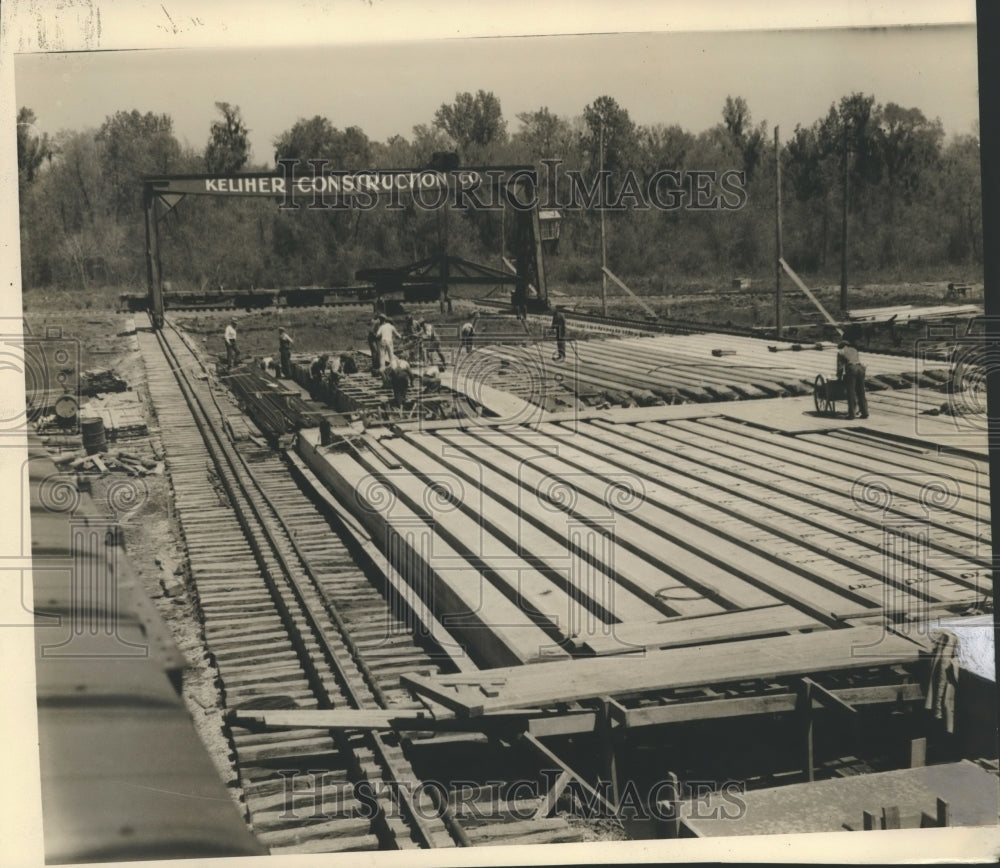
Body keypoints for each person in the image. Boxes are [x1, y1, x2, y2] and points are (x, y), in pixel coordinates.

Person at [837, 329, 869, 420]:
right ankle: (865, 412)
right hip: (860, 368)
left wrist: (839, 377)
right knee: (861, 391)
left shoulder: (841, 352)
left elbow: (839, 367)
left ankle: (851, 414)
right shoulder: (854, 349)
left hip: (852, 369)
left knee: (851, 392)